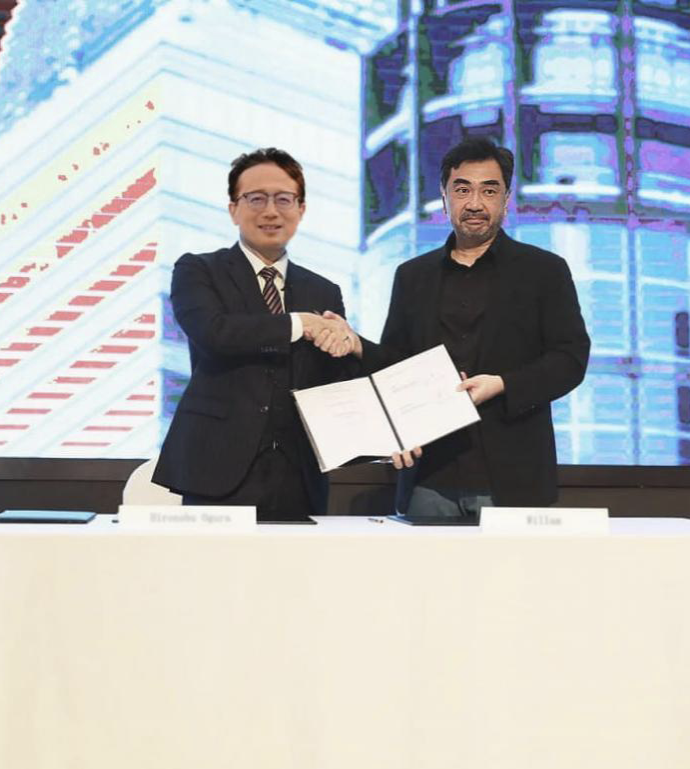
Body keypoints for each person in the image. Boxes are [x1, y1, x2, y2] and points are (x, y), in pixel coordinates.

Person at [344, 136, 590, 516]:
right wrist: (358, 345)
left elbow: (570, 359)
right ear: (445, 198)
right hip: (429, 476)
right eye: (462, 190)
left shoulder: (544, 271)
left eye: (489, 191)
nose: (475, 203)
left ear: (506, 200)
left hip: (513, 476)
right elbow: (396, 363)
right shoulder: (412, 276)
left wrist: (502, 384)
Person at [152, 147, 355, 520]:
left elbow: (333, 379)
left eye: (284, 199)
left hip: (300, 474)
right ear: (233, 209)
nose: (271, 211)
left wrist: (347, 344)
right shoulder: (198, 270)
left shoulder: (324, 291)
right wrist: (300, 324)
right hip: (218, 467)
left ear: (301, 209)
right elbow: (214, 332)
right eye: (256, 199)